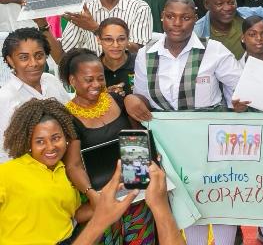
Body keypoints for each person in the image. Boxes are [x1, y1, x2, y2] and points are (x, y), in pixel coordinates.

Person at [124, 0, 243, 244]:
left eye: (185, 17)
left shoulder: (213, 50)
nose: (177, 23)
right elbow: (144, 101)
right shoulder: (146, 54)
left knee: (220, 201)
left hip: (210, 142)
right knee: (185, 206)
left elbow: (242, 89)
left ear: (195, 20)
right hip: (170, 147)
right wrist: (132, 100)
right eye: (170, 16)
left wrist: (241, 103)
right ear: (162, 18)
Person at [59, 49, 155, 243]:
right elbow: (74, 165)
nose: (96, 85)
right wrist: (92, 195)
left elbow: (136, 138)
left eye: (100, 78)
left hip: (135, 190)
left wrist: (142, 179)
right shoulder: (67, 117)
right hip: (101, 196)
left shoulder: (118, 100)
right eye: (88, 79)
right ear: (72, 80)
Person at [0, 98, 81, 242]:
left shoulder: (65, 171)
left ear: (65, 136)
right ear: (28, 142)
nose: (50, 147)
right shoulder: (7, 172)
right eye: (40, 141)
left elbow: (69, 214)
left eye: (56, 138)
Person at [0, 27, 70, 163]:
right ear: (10, 60)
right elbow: (4, 152)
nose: (33, 63)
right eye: (24, 58)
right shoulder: (4, 98)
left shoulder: (51, 80)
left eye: (39, 55)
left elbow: (69, 118)